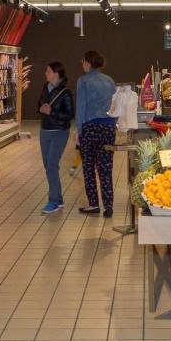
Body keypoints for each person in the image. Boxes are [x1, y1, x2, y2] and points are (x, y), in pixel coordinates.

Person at [75, 50, 117, 217]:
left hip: (90, 127)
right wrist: (113, 124)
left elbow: (81, 107)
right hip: (108, 128)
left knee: (88, 167)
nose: (82, 64)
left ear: (87, 62)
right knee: (105, 168)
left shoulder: (83, 81)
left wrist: (78, 130)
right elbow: (115, 105)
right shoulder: (109, 81)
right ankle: (109, 206)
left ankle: (93, 204)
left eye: (83, 61)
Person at [38, 62, 75, 214]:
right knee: (48, 166)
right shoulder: (45, 88)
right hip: (44, 130)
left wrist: (51, 112)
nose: (45, 73)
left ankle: (53, 200)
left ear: (56, 73)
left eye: (48, 71)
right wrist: (41, 109)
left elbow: (70, 114)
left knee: (52, 165)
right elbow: (38, 105)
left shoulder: (65, 93)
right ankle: (58, 200)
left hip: (59, 132)